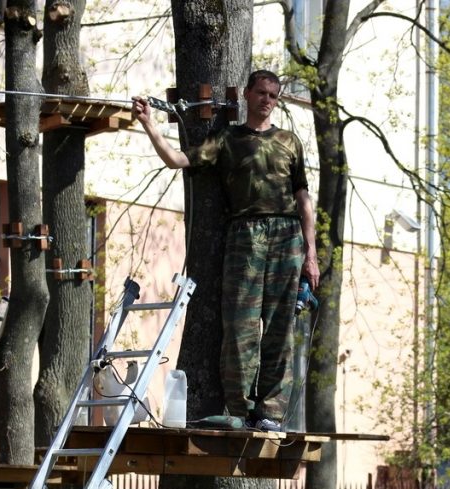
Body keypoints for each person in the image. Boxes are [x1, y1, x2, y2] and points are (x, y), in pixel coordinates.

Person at [132, 70, 319, 432]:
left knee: (280, 328)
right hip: (245, 236)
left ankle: (271, 414)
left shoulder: (290, 141)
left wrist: (310, 255)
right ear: (247, 95)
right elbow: (177, 160)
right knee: (240, 327)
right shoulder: (228, 139)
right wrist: (148, 124)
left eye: (274, 96)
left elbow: (304, 200)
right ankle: (243, 409)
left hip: (286, 235)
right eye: (262, 93)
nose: (267, 100)